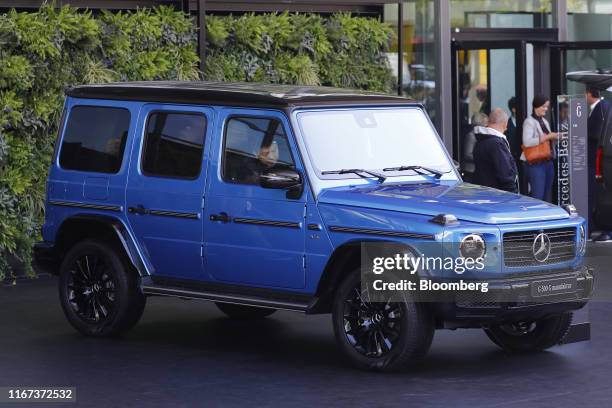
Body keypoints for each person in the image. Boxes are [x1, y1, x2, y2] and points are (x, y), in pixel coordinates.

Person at [521, 95, 560, 202]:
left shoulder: (544, 121)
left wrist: (556, 137)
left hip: (547, 162)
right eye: (544, 106)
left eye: (547, 107)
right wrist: (548, 136)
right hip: (536, 163)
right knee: (538, 196)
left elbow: (547, 141)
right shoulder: (529, 122)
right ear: (536, 106)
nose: (546, 109)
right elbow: (527, 142)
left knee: (547, 196)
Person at [586, 85, 611, 241]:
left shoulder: (602, 108)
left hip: (599, 160)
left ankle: (605, 228)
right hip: (599, 160)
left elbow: (597, 134)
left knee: (601, 194)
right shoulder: (604, 107)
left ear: (589, 94)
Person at [473, 108, 518, 193]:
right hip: (500, 196)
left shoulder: (480, 140)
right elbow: (505, 174)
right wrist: (514, 193)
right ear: (505, 124)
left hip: (485, 193)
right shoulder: (496, 144)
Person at [505, 97, 527, 194]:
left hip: (523, 158)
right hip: (512, 158)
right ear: (513, 109)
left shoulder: (524, 122)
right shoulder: (507, 124)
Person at [462, 112, 488, 182]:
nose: (487, 125)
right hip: (470, 171)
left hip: (477, 171)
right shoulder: (471, 135)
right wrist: (483, 158)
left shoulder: (480, 135)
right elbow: (467, 154)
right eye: (485, 123)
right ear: (479, 123)